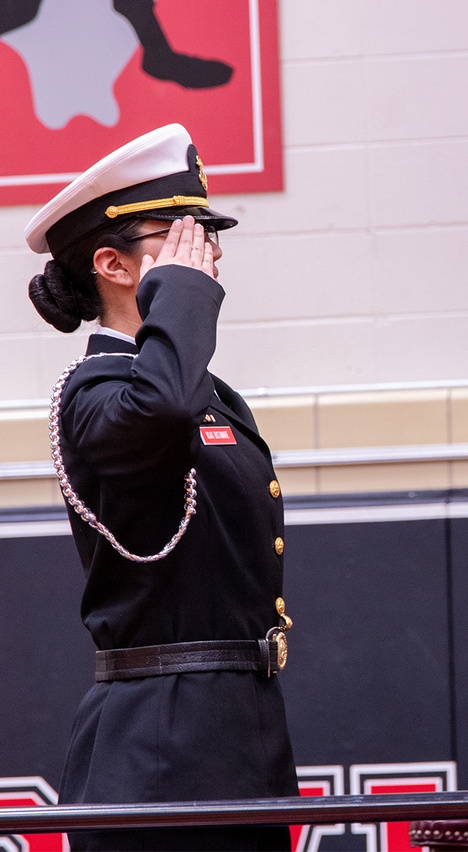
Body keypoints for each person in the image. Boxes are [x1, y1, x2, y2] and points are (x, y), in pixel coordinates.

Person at [25, 124, 298, 851]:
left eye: (207, 237)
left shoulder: (209, 395)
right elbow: (158, 408)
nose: (204, 255)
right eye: (178, 237)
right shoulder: (96, 395)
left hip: (239, 730)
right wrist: (177, 299)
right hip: (158, 745)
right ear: (112, 263)